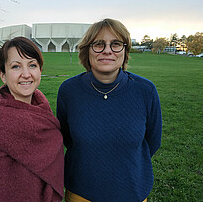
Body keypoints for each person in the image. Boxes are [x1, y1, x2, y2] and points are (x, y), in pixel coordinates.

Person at [57, 18, 162, 202]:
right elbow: (68, 138)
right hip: (81, 193)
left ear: (125, 50)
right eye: (98, 44)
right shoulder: (69, 91)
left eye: (115, 44)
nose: (107, 50)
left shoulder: (146, 90)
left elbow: (152, 141)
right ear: (87, 50)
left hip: (132, 193)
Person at [0, 37, 64, 202]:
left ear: (40, 70)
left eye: (32, 65)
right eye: (16, 66)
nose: (26, 74)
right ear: (3, 75)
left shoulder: (43, 113)